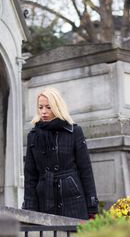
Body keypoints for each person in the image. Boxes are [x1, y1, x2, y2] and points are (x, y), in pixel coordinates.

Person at [22, 87, 98, 220]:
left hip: (72, 199)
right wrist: (29, 209)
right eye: (40, 107)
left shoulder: (74, 131)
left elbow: (85, 170)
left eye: (48, 107)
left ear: (57, 107)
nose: (43, 111)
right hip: (44, 198)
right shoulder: (33, 136)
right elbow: (30, 176)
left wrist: (92, 207)